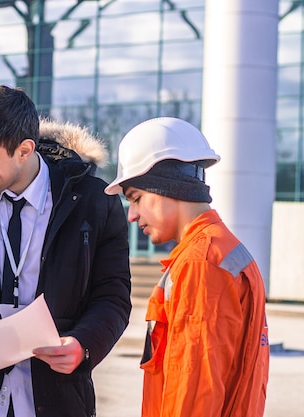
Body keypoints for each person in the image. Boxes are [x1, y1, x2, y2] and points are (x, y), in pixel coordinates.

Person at [0, 85, 132, 417]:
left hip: (57, 397)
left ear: (25, 150)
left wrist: (84, 345)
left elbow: (112, 295)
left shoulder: (95, 201)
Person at [104, 117, 269, 417]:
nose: (133, 215)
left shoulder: (200, 264)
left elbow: (194, 389)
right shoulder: (222, 251)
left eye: (137, 199)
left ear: (166, 187)